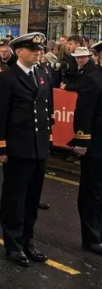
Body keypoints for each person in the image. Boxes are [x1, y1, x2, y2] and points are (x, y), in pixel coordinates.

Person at [0, 32, 53, 267]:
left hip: (38, 148)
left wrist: (48, 141)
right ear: (19, 52)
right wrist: (0, 146)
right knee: (15, 199)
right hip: (17, 148)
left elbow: (47, 110)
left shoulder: (43, 74)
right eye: (34, 49)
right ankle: (14, 244)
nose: (39, 53)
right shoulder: (7, 79)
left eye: (40, 49)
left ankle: (28, 240)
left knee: (32, 199)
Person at [68, 42, 102, 255]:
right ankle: (91, 236)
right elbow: (84, 112)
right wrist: (82, 142)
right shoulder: (93, 78)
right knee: (92, 191)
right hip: (96, 144)